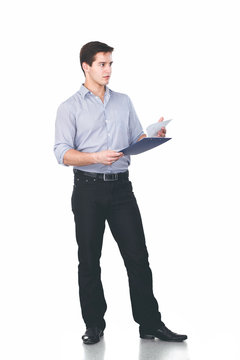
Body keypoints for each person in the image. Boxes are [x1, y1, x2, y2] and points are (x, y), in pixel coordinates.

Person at [54, 41, 187, 345]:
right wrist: (95, 157)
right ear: (86, 66)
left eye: (111, 64)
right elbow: (61, 153)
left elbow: (135, 138)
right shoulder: (69, 107)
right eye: (102, 64)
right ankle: (94, 325)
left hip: (121, 190)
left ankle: (150, 324)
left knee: (138, 258)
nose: (108, 70)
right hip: (87, 190)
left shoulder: (123, 101)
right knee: (89, 260)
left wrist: (152, 135)